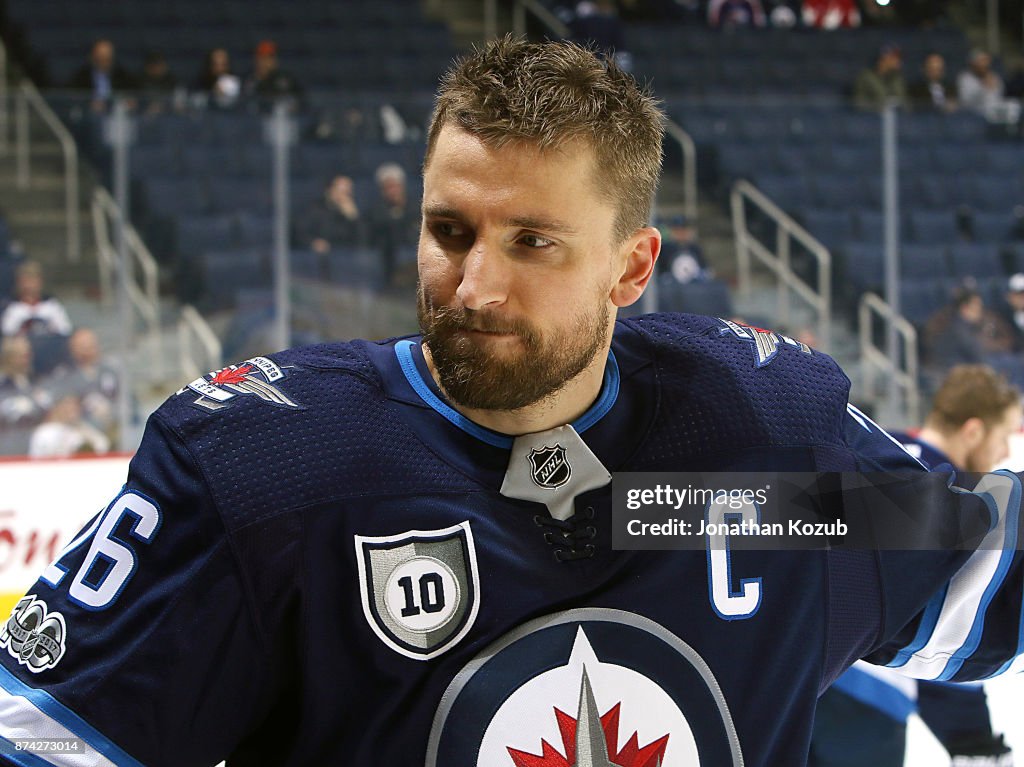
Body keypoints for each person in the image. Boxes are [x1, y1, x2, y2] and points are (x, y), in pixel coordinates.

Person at [2, 37, 1024, 766]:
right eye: (450, 231)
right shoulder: (263, 470)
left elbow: (974, 587)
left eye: (533, 242)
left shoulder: (760, 452)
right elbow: (44, 735)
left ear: (631, 269)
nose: (475, 286)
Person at [811, 364, 1020, 767]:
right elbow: (956, 622)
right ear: (973, 431)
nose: (1005, 453)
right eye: (1003, 435)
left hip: (796, 676)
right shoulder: (951, 497)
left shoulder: (866, 454)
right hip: (865, 705)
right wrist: (973, 740)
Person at [44, 327, 119, 440]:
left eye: (91, 345)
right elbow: (61, 409)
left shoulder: (111, 371)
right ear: (72, 348)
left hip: (114, 430)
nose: (87, 350)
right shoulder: (63, 376)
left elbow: (126, 402)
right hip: (80, 434)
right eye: (82, 346)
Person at [369, 161, 419, 288]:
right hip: (390, 258)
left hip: (415, 254)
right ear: (383, 190)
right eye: (389, 187)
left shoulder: (416, 207)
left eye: (396, 186)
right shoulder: (376, 211)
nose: (394, 190)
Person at [294, 174, 365, 255]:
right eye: (341, 191)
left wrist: (354, 217)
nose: (345, 195)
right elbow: (300, 232)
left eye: (348, 191)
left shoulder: (352, 213)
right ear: (329, 190)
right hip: (318, 258)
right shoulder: (315, 209)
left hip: (346, 256)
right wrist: (313, 242)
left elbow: (363, 240)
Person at [0, 260, 72, 338]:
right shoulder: (11, 308)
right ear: (19, 283)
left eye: (32, 280)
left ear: (40, 282)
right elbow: (7, 335)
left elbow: (65, 332)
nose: (28, 286)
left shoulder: (52, 306)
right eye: (25, 281)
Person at [67, 39, 136, 113]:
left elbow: (134, 95)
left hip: (115, 116)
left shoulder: (122, 75)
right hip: (89, 115)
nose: (104, 62)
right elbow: (71, 98)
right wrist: (88, 104)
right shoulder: (81, 77)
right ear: (92, 57)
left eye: (107, 59)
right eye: (100, 58)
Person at [958, 49, 1021, 124]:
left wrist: (995, 85)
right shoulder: (965, 78)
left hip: (995, 109)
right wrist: (983, 87)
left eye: (986, 61)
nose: (985, 64)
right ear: (973, 64)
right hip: (976, 112)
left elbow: (1000, 94)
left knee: (1014, 104)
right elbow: (966, 101)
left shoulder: (993, 76)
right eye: (982, 61)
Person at [243, 39, 303, 110]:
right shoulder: (250, 81)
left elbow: (301, 100)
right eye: (262, 58)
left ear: (275, 60)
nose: (265, 62)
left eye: (269, 58)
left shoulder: (286, 80)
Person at [853, 43, 908, 111]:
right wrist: (877, 107)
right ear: (884, 58)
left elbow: (905, 102)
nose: (898, 61)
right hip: (871, 117)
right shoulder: (866, 76)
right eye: (894, 57)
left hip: (896, 117)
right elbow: (858, 103)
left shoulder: (897, 77)